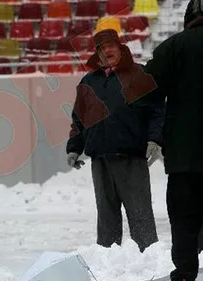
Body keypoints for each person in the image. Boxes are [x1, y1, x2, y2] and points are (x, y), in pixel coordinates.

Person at [66, 29, 164, 253]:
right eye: (101, 48)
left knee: (140, 216)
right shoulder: (88, 81)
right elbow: (79, 119)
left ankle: (149, 261)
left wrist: (155, 140)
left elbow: (157, 111)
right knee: (106, 219)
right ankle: (108, 264)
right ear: (97, 53)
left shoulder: (139, 74)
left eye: (110, 46)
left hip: (131, 158)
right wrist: (73, 148)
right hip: (100, 160)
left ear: (120, 48)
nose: (106, 51)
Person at [142, 0, 203, 279]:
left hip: (184, 158)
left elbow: (144, 91)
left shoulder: (173, 47)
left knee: (184, 221)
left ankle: (185, 273)